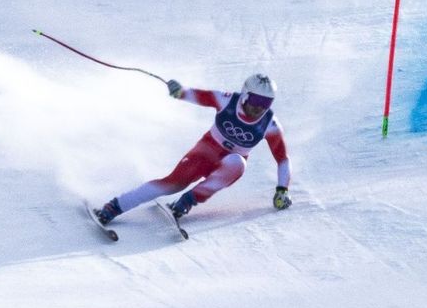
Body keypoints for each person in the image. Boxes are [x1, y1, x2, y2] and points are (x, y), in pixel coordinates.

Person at [94, 72, 292, 225]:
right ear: (245, 95)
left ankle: (187, 201)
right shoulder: (227, 100)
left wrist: (282, 190)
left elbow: (282, 158)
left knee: (238, 163)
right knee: (173, 183)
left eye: (266, 103)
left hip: (228, 164)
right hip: (205, 152)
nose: (259, 108)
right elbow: (200, 96)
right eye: (256, 101)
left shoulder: (270, 124)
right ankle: (115, 207)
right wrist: (180, 92)